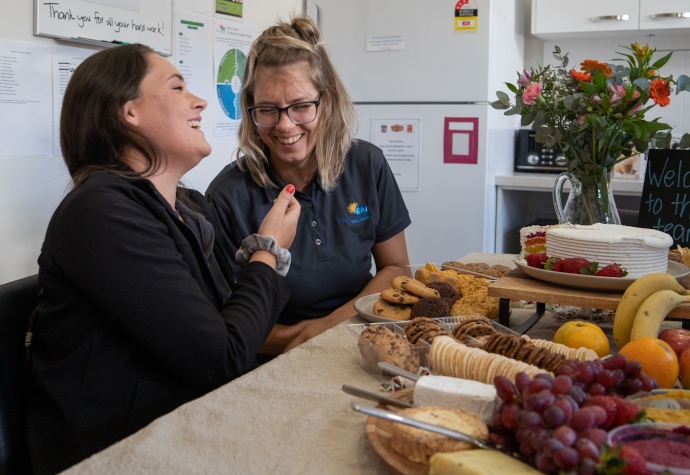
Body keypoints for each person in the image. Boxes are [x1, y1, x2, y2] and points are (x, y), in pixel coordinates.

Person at [25, 44, 300, 474]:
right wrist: (268, 250)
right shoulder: (100, 212)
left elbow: (227, 326)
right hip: (117, 454)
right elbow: (221, 359)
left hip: (189, 429)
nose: (200, 101)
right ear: (127, 112)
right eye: (177, 87)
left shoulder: (190, 208)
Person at [206, 16, 411, 356]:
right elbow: (225, 324)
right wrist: (299, 341)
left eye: (301, 106)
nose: (285, 126)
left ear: (326, 102)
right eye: (268, 110)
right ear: (250, 110)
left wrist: (324, 328)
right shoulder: (227, 196)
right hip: (272, 357)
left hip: (361, 336)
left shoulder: (366, 163)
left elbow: (396, 268)